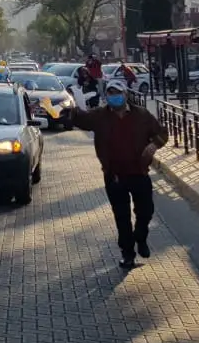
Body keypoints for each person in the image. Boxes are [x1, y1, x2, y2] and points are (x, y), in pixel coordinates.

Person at [70, 79, 167, 269]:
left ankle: (141, 237)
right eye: (110, 93)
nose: (114, 97)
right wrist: (71, 108)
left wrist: (154, 145)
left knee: (146, 211)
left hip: (139, 172)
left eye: (118, 93)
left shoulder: (141, 115)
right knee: (122, 217)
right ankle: (127, 253)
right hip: (114, 176)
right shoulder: (100, 116)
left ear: (125, 94)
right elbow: (81, 119)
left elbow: (162, 133)